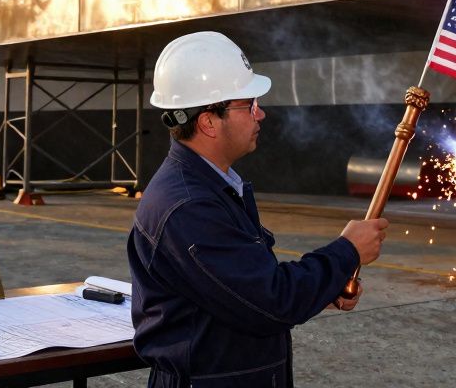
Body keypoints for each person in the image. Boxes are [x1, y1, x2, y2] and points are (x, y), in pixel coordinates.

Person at [128, 31, 389, 388]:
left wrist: (323, 288)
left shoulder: (210, 186)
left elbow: (243, 288)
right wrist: (346, 252)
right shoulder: (190, 207)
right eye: (249, 104)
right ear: (208, 121)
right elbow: (272, 301)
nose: (260, 113)